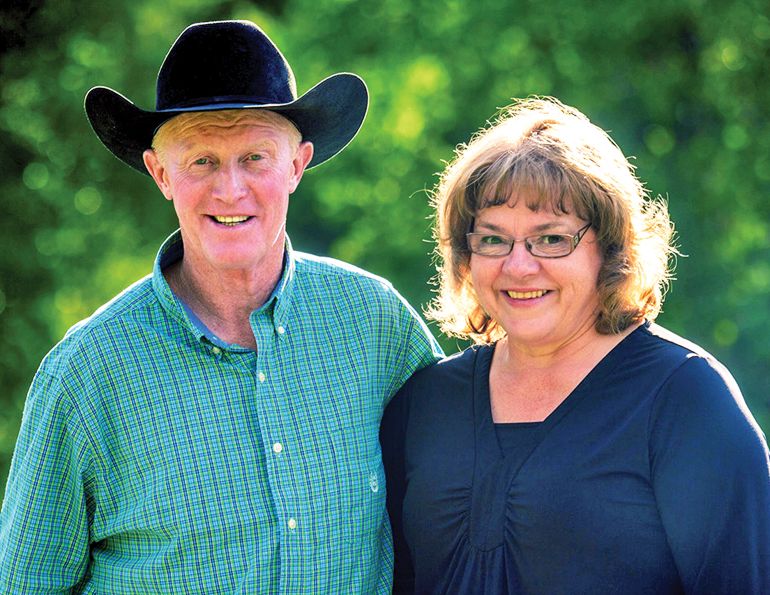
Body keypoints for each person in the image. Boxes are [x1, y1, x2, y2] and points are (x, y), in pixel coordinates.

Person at [0, 20, 442, 593]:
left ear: (297, 165)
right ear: (161, 173)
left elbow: (472, 485)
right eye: (202, 160)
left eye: (255, 157)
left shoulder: (376, 323)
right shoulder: (86, 377)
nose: (230, 190)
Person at [381, 97, 770, 594]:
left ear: (610, 249)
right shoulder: (427, 401)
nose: (518, 267)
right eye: (494, 240)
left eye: (551, 239)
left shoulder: (685, 399)